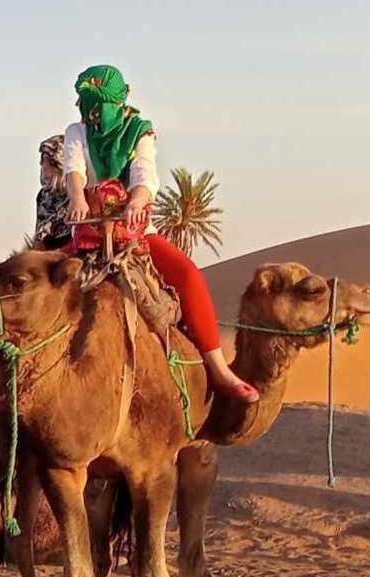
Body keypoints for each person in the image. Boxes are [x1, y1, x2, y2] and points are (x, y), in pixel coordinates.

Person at [58, 64, 257, 401]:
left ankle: (218, 370)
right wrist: (77, 197)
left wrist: (136, 200)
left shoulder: (139, 131)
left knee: (189, 276)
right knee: (33, 275)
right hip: (87, 232)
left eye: (100, 105)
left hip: (135, 233)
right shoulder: (77, 132)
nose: (95, 114)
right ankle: (12, 372)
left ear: (119, 103)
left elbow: (144, 174)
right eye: (89, 105)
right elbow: (74, 168)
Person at [34, 134, 73, 250]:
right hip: (47, 253)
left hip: (72, 250)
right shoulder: (43, 196)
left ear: (57, 162)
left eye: (44, 159)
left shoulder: (75, 193)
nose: (41, 164)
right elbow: (39, 235)